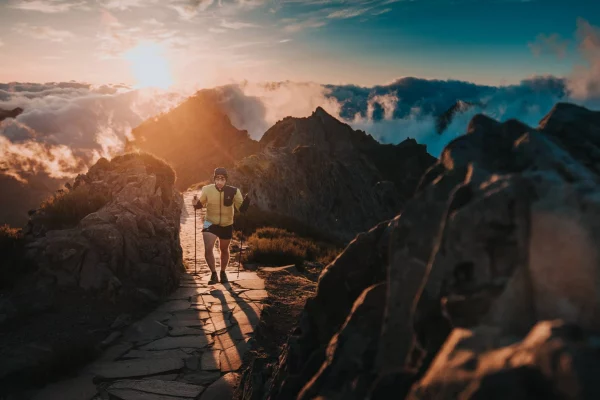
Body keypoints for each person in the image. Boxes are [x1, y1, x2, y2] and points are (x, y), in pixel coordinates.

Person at [192, 167, 249, 285]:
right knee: (208, 248)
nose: (219, 181)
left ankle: (223, 272)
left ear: (226, 180)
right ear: (214, 179)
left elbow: (241, 209)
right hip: (210, 222)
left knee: (224, 249)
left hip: (227, 224)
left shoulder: (234, 191)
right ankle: (213, 274)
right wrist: (196, 203)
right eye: (217, 178)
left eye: (222, 179)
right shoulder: (207, 189)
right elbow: (200, 204)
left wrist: (246, 202)